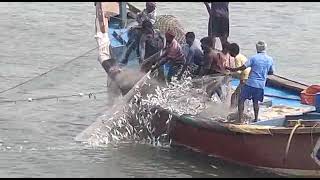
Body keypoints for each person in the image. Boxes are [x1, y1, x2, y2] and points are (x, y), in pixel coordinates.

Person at [226, 41, 275, 123]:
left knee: (241, 99)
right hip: (261, 85)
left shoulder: (253, 58)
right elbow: (271, 72)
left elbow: (242, 67)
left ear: (257, 48)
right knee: (256, 102)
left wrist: (231, 69)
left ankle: (240, 119)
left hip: (251, 83)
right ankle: (256, 119)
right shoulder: (270, 59)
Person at [228, 43, 251, 108]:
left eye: (229, 51)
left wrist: (230, 73)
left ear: (232, 52)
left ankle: (231, 109)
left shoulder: (237, 58)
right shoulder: (241, 56)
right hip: (248, 77)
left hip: (244, 78)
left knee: (234, 96)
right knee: (240, 95)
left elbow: (238, 71)